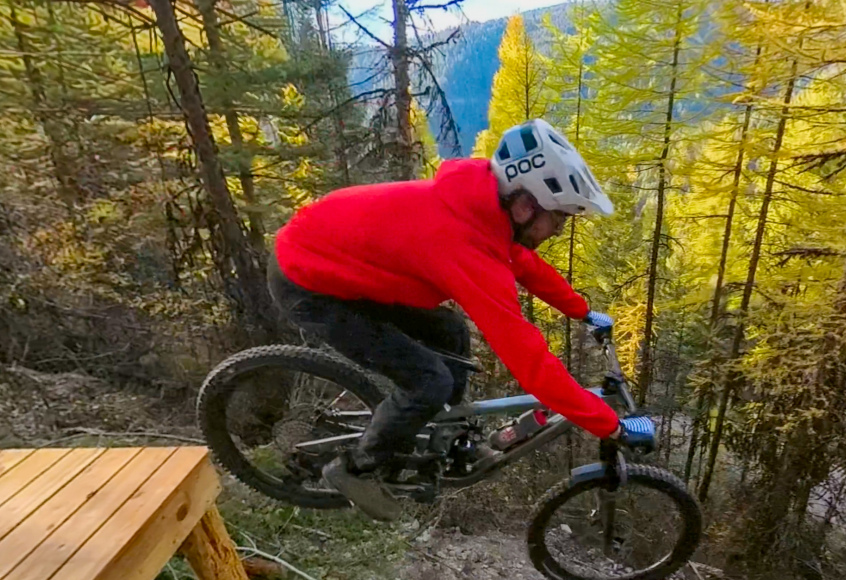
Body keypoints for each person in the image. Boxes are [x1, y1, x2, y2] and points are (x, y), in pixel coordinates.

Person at [269, 118, 652, 519]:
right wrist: (612, 426)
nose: (557, 230)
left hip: (341, 263)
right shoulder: (462, 243)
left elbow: (522, 262)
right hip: (308, 281)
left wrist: (581, 310)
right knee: (429, 381)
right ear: (525, 206)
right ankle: (357, 469)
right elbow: (530, 363)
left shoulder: (481, 208)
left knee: (449, 331)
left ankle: (437, 426)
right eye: (558, 219)